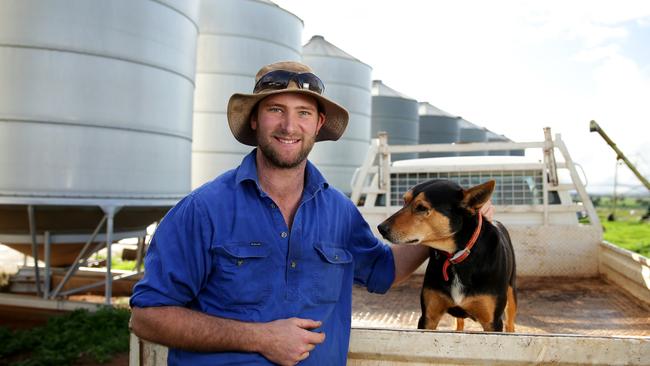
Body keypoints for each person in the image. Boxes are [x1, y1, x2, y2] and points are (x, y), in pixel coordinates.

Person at [129, 61, 490, 365]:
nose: (290, 126)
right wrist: (259, 337)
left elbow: (384, 269)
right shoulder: (202, 211)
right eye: (275, 110)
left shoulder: (339, 213)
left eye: (303, 113)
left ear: (318, 125)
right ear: (254, 120)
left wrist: (446, 229)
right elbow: (148, 318)